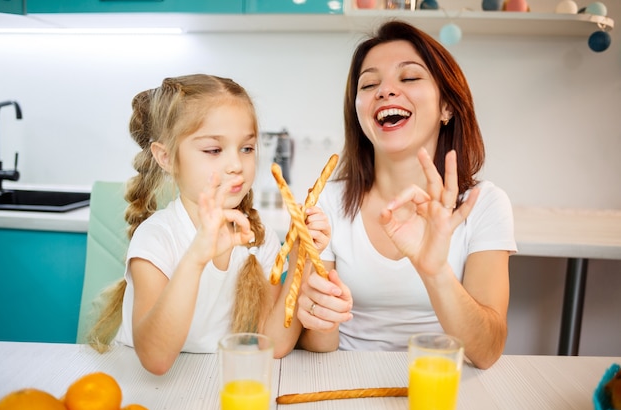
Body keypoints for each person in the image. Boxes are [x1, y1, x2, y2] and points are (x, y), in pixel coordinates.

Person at [296, 21, 517, 369]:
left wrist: (434, 271)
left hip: (441, 382)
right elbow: (317, 346)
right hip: (341, 380)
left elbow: (486, 351)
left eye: (409, 78)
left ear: (447, 107)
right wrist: (321, 316)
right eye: (369, 84)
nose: (385, 91)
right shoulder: (327, 202)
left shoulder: (483, 204)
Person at [86, 74, 330, 375]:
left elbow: (273, 344)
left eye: (247, 148)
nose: (236, 165)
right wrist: (197, 256)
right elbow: (155, 360)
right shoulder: (156, 239)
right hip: (145, 393)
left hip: (212, 386)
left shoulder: (258, 238)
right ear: (166, 157)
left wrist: (298, 259)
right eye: (214, 150)